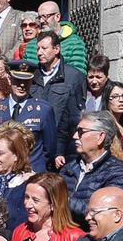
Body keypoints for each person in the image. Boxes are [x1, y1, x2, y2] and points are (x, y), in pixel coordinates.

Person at [62, 110, 123, 227]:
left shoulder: (119, 173)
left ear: (100, 137)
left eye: (81, 132)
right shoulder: (69, 168)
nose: (75, 136)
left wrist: (61, 201)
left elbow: (106, 212)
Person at [0, 61, 58, 172]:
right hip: (3, 172)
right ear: (9, 79)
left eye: (26, 81)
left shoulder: (43, 110)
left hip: (32, 173)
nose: (22, 85)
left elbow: (49, 149)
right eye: (18, 80)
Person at [34, 32, 88, 166]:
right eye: (38, 49)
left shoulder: (74, 77)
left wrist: (61, 150)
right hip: (35, 148)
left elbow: (76, 118)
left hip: (61, 151)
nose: (39, 53)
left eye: (44, 48)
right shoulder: (32, 76)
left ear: (56, 49)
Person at [0, 122, 33, 232]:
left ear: (16, 155)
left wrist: (5, 237)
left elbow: (25, 223)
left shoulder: (27, 186)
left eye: (0, 153)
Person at [34, 2, 89, 72]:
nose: (41, 21)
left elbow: (78, 74)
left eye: (45, 16)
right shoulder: (32, 45)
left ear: (57, 17)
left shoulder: (74, 42)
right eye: (39, 17)